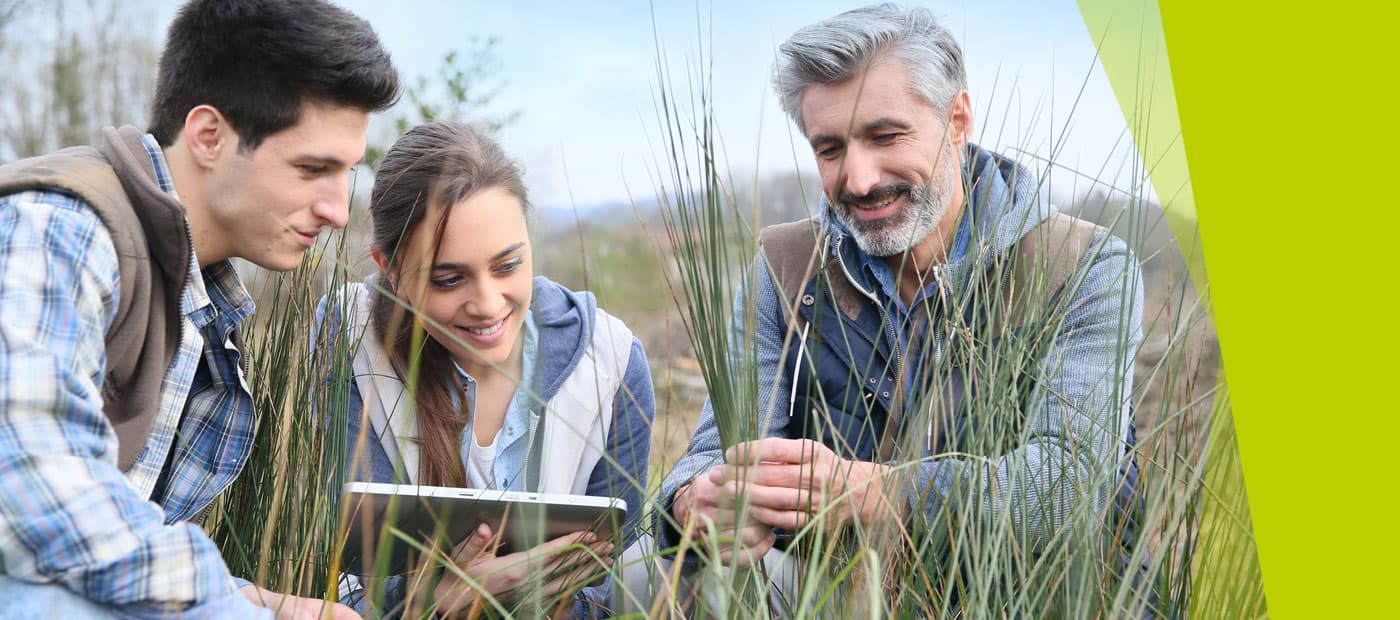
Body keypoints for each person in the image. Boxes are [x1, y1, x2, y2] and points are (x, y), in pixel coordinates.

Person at [657, 2, 1144, 610]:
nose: (858, 181)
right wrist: (693, 502)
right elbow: (713, 452)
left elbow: (1066, 490)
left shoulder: (1084, 266)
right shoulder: (782, 268)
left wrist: (872, 492)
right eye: (829, 149)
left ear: (958, 118)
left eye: (885, 136)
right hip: (843, 595)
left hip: (1045, 600)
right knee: (636, 579)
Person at [0, 1, 400, 618]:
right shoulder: (58, 231)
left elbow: (104, 547)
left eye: (345, 174)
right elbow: (31, 496)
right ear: (209, 136)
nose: (338, 211)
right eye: (312, 169)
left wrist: (265, 603)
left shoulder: (196, 296)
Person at [319, 121, 654, 619]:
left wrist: (525, 597)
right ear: (388, 269)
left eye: (507, 266)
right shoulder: (349, 339)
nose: (488, 304)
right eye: (449, 279)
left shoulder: (613, 361)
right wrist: (435, 600)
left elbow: (608, 581)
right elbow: (349, 581)